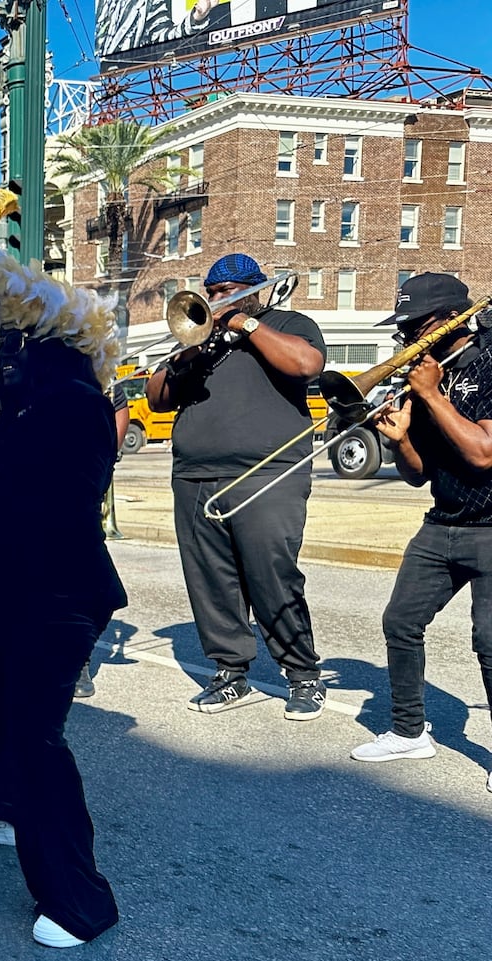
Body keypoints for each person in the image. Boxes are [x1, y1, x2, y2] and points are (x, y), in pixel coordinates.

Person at [0, 331, 127, 949]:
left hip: (59, 596)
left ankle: (79, 901)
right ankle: (1, 809)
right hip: (17, 593)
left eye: (16, 354)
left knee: (38, 738)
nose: (4, 365)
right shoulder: (30, 407)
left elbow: (48, 500)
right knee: (4, 716)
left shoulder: (75, 403)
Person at [145, 252, 328, 718]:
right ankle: (230, 672)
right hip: (195, 476)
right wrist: (189, 348)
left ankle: (303, 675)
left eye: (228, 292)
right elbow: (157, 396)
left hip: (267, 473)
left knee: (272, 573)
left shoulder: (289, 322)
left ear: (254, 289)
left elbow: (307, 365)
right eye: (213, 293)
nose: (218, 300)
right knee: (211, 580)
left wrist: (246, 325)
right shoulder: (202, 340)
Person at [352, 275, 492, 783]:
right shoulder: (430, 375)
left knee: (490, 641)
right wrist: (400, 439)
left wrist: (433, 397)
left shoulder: (487, 364)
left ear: (452, 320)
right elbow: (418, 475)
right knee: (401, 622)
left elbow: (483, 453)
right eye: (404, 329)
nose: (407, 338)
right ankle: (410, 733)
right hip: (443, 523)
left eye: (416, 327)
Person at [76, 385, 134, 700]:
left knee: (104, 592)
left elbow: (111, 444)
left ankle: (78, 656)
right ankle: (70, 656)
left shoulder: (107, 381)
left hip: (84, 491)